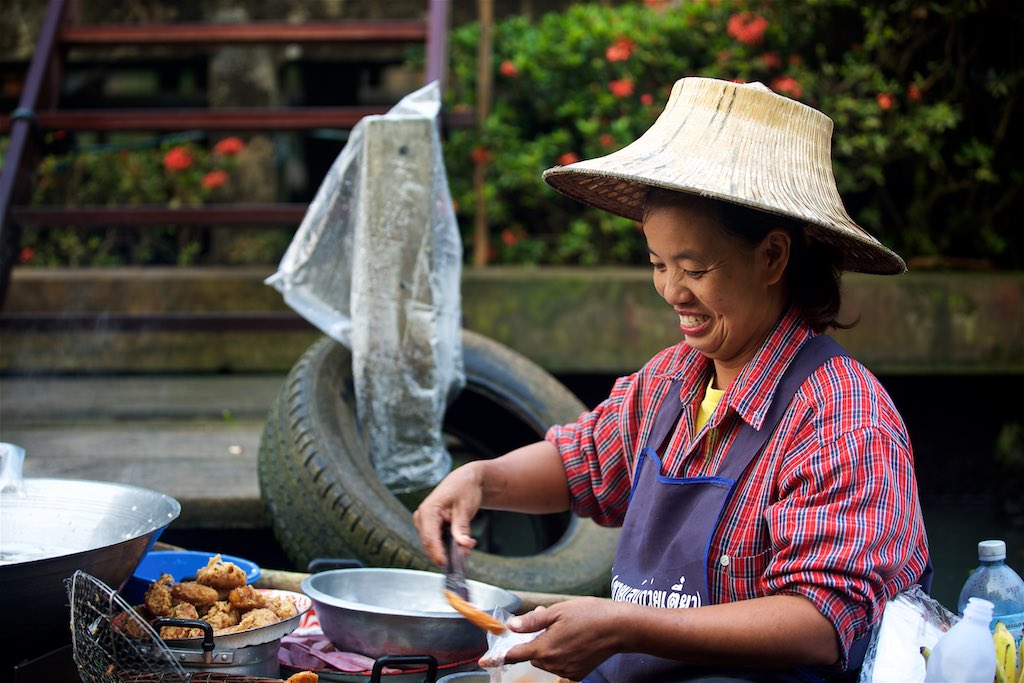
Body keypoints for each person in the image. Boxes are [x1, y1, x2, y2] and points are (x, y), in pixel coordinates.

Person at [413, 76, 931, 683]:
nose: (672, 292)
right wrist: (480, 479)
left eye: (695, 268)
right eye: (658, 264)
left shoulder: (843, 417)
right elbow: (583, 463)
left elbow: (820, 624)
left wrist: (625, 624)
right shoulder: (672, 380)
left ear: (772, 257)